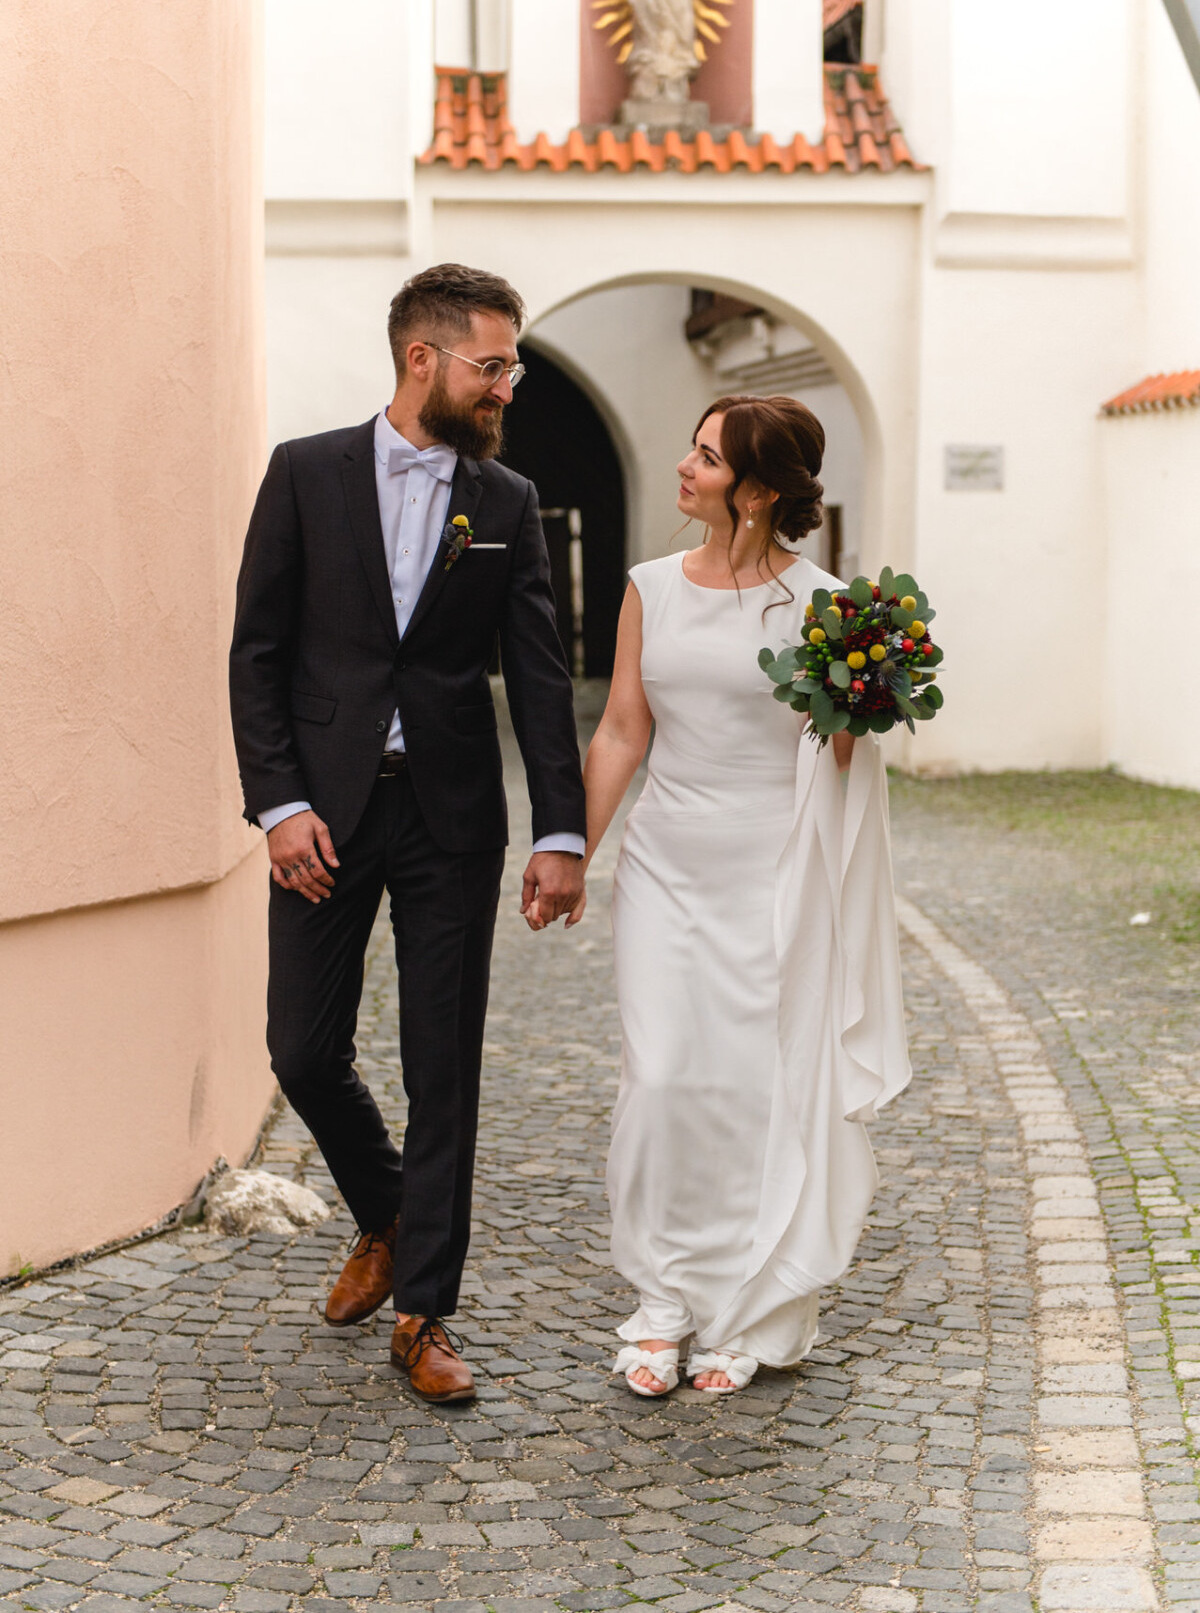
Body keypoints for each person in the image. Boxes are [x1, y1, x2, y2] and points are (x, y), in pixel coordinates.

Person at [229, 264, 586, 1403]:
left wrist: (562, 828)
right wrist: (280, 805)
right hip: (321, 816)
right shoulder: (304, 472)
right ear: (421, 359)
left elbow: (539, 679)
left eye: (513, 366)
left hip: (450, 820)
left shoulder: (510, 502)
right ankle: (386, 1211)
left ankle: (425, 1310)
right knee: (301, 1051)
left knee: (445, 1068)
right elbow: (258, 655)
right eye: (493, 365)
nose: (508, 387)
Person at [580, 394, 910, 1397]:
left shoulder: (828, 608)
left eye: (707, 456)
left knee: (758, 1088)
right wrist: (567, 851)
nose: (684, 465)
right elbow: (623, 731)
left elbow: (844, 757)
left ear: (759, 491)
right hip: (667, 867)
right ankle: (661, 1297)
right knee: (667, 1075)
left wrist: (868, 692)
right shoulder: (649, 587)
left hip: (777, 874)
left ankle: (748, 1303)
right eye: (690, 447)